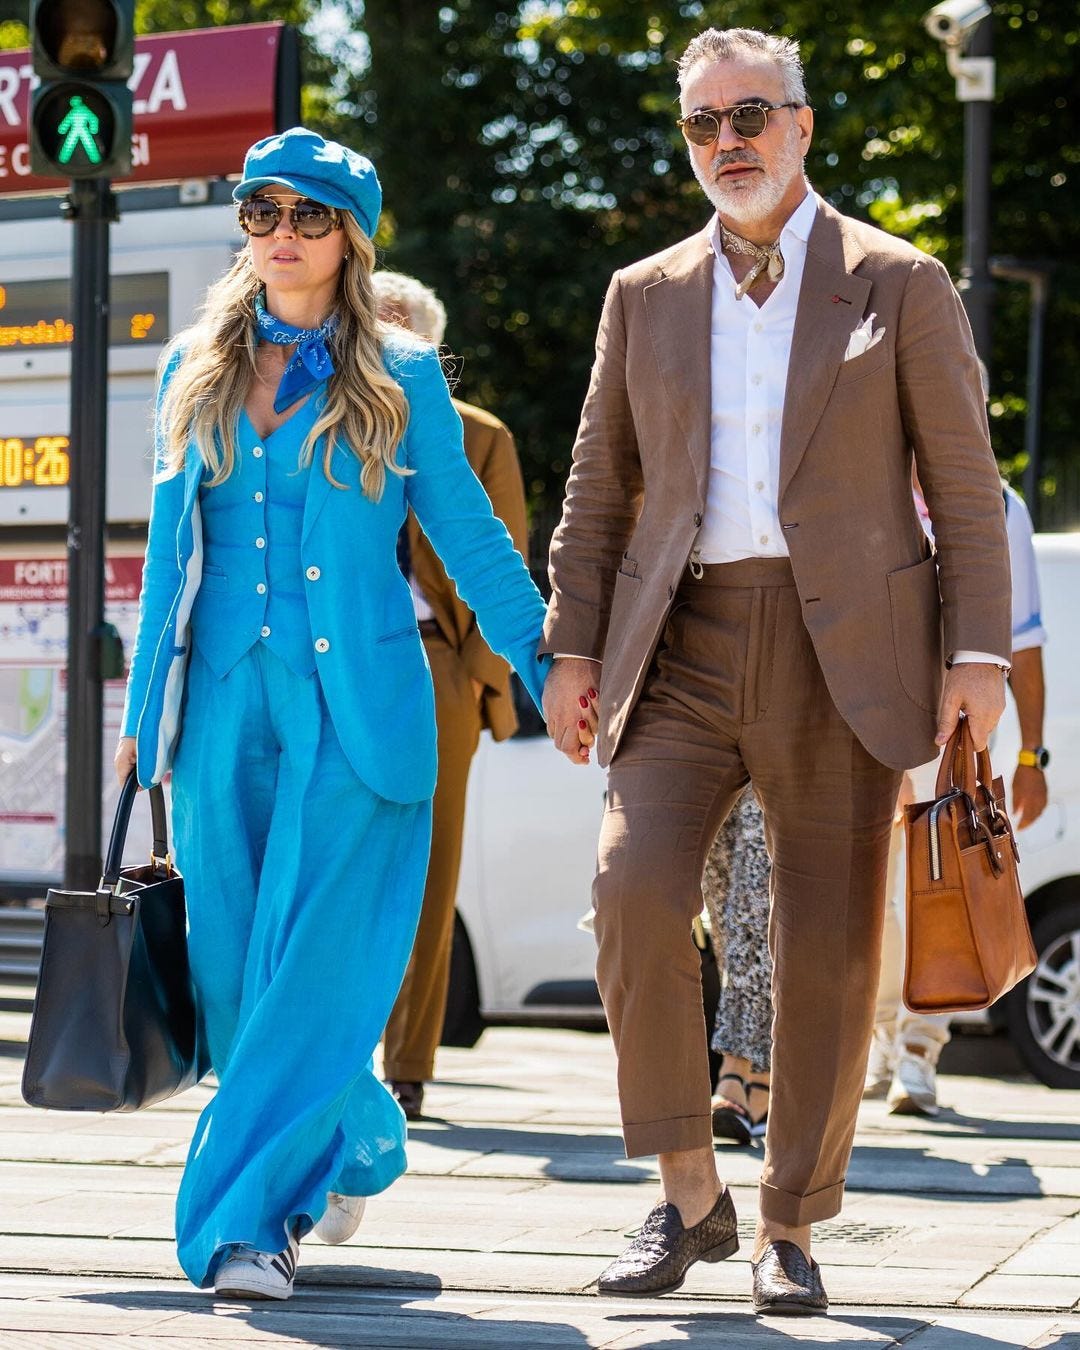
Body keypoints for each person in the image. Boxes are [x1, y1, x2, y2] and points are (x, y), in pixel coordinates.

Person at [540, 26, 1011, 1315]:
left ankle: (791, 1224)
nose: (728, 141)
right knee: (632, 895)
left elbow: (965, 489)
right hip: (682, 646)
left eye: (752, 114)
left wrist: (978, 657)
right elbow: (597, 488)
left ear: (804, 126)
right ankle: (690, 1196)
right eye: (703, 123)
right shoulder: (644, 292)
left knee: (827, 949)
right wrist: (571, 645)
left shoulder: (899, 282)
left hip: (844, 652)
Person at [114, 128, 549, 1301]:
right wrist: (143, 710)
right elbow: (167, 562)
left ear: (352, 237)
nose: (283, 237)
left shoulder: (400, 375)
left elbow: (470, 544)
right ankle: (360, 1139)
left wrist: (552, 665)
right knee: (232, 983)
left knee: (311, 978)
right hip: (220, 715)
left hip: (361, 720)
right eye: (263, 212)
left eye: (310, 216)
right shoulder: (191, 369)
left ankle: (243, 1227)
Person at [372, 270, 530, 1121]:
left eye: (404, 329)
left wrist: (475, 678)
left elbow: (503, 553)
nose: (387, 340)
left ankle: (409, 1061)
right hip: (333, 654)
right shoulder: (321, 408)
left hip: (435, 662)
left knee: (430, 869)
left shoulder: (480, 436)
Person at [868, 467, 1049, 1117]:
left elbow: (1022, 641)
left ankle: (919, 1049)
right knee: (868, 899)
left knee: (940, 898)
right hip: (868, 725)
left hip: (953, 739)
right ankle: (884, 1032)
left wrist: (1031, 755)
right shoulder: (865, 481)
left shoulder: (998, 504)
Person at [702, 787, 772, 1145]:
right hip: (703, 747)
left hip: (777, 747)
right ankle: (765, 1076)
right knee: (726, 914)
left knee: (753, 910)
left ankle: (735, 1068)